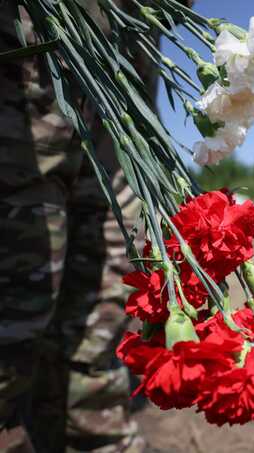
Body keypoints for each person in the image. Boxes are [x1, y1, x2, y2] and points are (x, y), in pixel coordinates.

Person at [0, 2, 168, 451]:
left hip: (121, 82)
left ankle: (95, 434)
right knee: (20, 293)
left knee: (108, 297)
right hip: (27, 59)